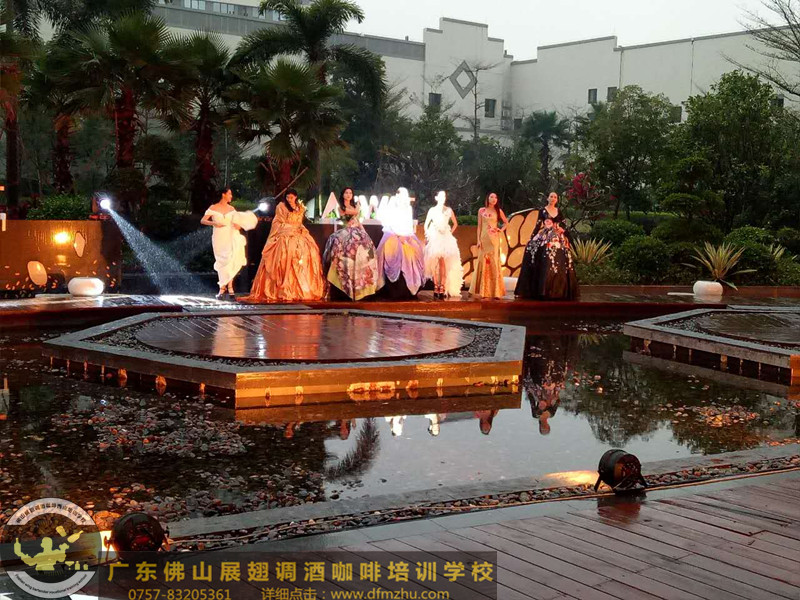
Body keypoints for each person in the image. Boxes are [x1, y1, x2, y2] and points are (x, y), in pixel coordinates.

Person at [240, 189, 324, 303]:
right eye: (288, 197)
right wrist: (290, 229)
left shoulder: (300, 207)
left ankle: (301, 288)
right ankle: (282, 288)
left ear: (295, 197)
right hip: (284, 233)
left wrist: (300, 229)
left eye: (291, 197)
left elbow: (299, 222)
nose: (289, 199)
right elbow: (279, 222)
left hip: (298, 233)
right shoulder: (281, 206)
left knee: (311, 251)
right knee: (285, 252)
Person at [514, 192, 578, 300]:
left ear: (557, 200)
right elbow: (538, 224)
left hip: (557, 237)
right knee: (545, 257)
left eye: (555, 197)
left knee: (560, 259)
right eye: (551, 196)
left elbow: (564, 224)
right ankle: (543, 289)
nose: (553, 198)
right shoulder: (542, 210)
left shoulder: (559, 211)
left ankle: (557, 290)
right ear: (547, 198)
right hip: (545, 236)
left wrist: (563, 232)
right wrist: (532, 238)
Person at [323, 187, 380, 301]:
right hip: (346, 230)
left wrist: (364, 232)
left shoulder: (355, 206)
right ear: (343, 195)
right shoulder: (340, 207)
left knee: (367, 249)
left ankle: (363, 285)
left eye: (350, 193)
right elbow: (351, 213)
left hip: (357, 230)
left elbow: (357, 221)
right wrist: (357, 209)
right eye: (346, 193)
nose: (348, 195)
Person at [376, 188, 426, 299]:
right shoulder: (392, 207)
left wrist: (406, 236)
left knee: (414, 251)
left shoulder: (408, 208)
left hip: (406, 235)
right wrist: (398, 235)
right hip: (392, 234)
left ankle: (410, 287)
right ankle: (390, 288)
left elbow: (408, 225)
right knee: (392, 251)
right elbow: (389, 223)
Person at [200, 187, 247, 299]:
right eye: (229, 194)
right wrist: (214, 223)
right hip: (219, 237)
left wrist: (238, 225)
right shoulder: (213, 207)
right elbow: (203, 220)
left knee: (230, 261)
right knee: (222, 262)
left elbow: (238, 224)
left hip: (231, 235)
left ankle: (228, 288)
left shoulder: (232, 209)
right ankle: (223, 287)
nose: (231, 196)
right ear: (223, 194)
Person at [423, 190, 463, 299]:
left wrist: (449, 232)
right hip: (435, 237)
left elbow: (455, 223)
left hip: (445, 237)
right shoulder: (432, 210)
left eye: (444, 196)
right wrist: (428, 235)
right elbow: (426, 224)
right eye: (440, 196)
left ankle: (442, 285)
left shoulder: (448, 210)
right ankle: (435, 284)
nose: (442, 198)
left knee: (443, 261)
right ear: (436, 198)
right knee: (434, 261)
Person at [469, 192, 508, 299]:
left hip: (494, 239)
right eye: (492, 197)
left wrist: (501, 230)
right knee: (483, 261)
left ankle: (495, 292)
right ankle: (483, 291)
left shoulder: (498, 211)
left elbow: (506, 222)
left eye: (496, 197)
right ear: (488, 198)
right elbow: (479, 226)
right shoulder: (481, 210)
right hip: (484, 239)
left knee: (494, 261)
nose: (494, 199)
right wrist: (478, 240)